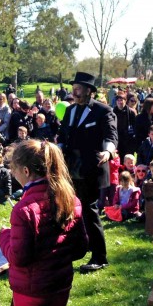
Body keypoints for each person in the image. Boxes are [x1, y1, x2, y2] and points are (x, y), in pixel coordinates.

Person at [0, 139, 87, 306]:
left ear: (26, 171)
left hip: (31, 291)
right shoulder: (71, 199)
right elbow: (81, 248)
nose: (13, 175)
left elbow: (20, 257)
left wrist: (4, 237)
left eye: (13, 170)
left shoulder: (23, 209)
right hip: (59, 285)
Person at [57, 72, 117, 272]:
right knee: (72, 209)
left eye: (79, 87)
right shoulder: (70, 110)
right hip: (70, 167)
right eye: (74, 87)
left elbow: (110, 135)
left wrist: (108, 152)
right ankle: (80, 247)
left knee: (90, 211)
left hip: (92, 167)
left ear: (89, 91)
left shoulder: (103, 110)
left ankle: (100, 257)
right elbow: (64, 135)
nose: (75, 90)